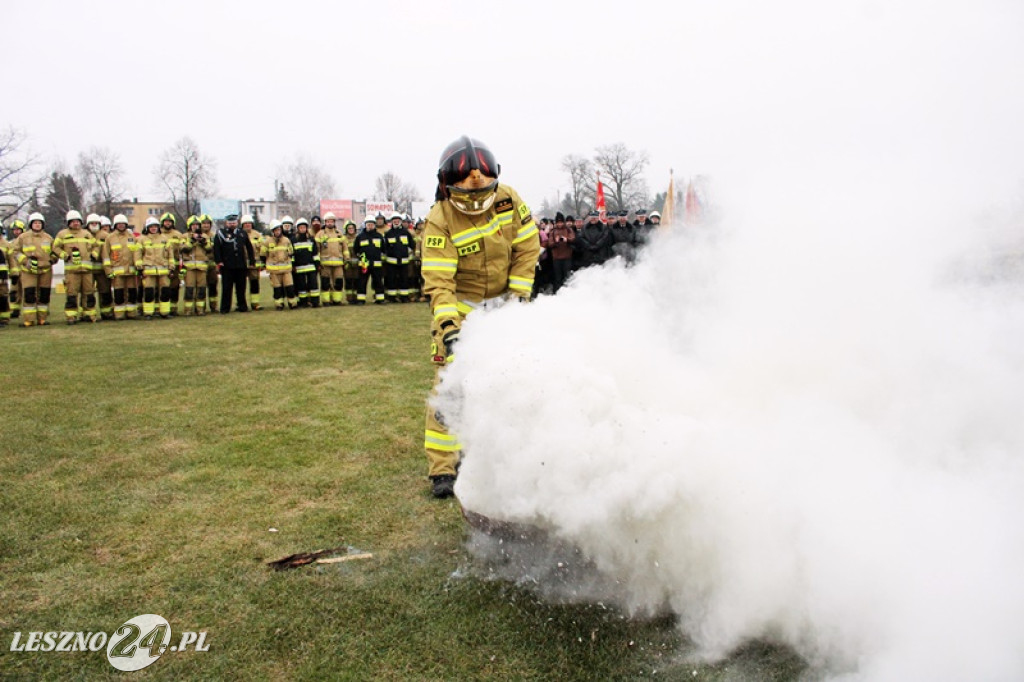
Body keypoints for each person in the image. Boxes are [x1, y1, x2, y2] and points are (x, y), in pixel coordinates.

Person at [420, 135, 540, 498]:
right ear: (447, 186)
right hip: (461, 308)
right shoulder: (439, 220)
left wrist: (517, 298)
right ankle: (443, 469)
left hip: (504, 306)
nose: (475, 199)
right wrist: (450, 328)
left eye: (482, 191)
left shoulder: (509, 199)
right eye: (467, 194)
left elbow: (527, 246)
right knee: (451, 391)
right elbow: (439, 282)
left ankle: (507, 458)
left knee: (513, 384)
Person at [53, 210, 99, 324]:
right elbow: (55, 248)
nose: (75, 223)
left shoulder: (87, 234)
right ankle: (71, 316)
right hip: (72, 271)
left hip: (87, 270)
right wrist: (64, 255)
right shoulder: (62, 234)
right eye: (73, 221)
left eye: (77, 221)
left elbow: (96, 246)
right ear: (68, 222)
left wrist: (94, 255)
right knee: (72, 294)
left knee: (89, 293)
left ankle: (89, 315)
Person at [11, 212, 56, 326]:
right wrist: (26, 261)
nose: (37, 225)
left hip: (45, 271)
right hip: (28, 271)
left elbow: (55, 252)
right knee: (29, 294)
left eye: (39, 223)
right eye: (35, 223)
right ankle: (29, 319)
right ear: (31, 224)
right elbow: (15, 252)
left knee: (44, 295)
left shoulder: (48, 238)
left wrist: (52, 260)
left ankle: (42, 319)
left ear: (42, 224)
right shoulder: (23, 237)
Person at [213, 213, 255, 314]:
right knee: (227, 288)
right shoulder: (220, 233)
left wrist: (252, 260)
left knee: (241, 288)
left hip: (241, 265)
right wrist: (219, 261)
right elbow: (216, 248)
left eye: (234, 222)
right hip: (227, 266)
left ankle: (242, 306)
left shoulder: (242, 233)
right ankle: (225, 308)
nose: (232, 224)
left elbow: (249, 247)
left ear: (237, 223)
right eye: (230, 222)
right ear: (226, 223)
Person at [102, 214, 141, 320]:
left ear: (126, 224)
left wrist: (138, 266)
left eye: (123, 224)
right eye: (118, 224)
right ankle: (119, 314)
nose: (121, 226)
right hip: (117, 272)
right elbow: (105, 255)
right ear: (115, 225)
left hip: (131, 271)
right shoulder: (110, 238)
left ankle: (131, 313)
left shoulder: (131, 237)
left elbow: (136, 252)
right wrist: (108, 270)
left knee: (132, 293)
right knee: (119, 294)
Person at [137, 216, 173, 319]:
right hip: (148, 270)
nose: (153, 228)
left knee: (165, 291)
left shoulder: (165, 239)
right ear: (147, 228)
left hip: (163, 269)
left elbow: (170, 255)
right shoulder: (142, 239)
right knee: (149, 292)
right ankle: (148, 313)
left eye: (155, 226)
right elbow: (138, 254)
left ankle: (164, 312)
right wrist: (139, 268)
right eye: (151, 227)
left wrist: (171, 267)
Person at [180, 215, 215, 316]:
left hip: (202, 267)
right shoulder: (185, 236)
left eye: (197, 225)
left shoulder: (205, 236)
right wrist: (192, 240)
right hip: (189, 267)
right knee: (189, 288)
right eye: (193, 225)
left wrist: (203, 242)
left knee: (201, 289)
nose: (195, 226)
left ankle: (200, 309)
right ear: (189, 226)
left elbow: (209, 249)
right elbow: (183, 249)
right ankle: (188, 310)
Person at [315, 211, 349, 305]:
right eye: (328, 221)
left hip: (338, 264)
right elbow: (317, 249)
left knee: (338, 282)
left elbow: (345, 248)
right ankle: (326, 301)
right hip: (325, 264)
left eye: (331, 221)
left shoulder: (339, 234)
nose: (330, 223)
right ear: (325, 222)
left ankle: (337, 300)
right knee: (325, 283)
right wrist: (317, 261)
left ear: (334, 222)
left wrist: (346, 258)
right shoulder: (320, 234)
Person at [352, 215, 386, 304]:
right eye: (368, 224)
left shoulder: (379, 236)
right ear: (365, 225)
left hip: (377, 263)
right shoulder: (360, 237)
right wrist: (361, 258)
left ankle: (380, 298)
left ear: (374, 225)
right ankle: (361, 299)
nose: (370, 226)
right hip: (364, 263)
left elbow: (384, 249)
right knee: (362, 282)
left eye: (371, 224)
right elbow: (356, 249)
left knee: (378, 282)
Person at [263, 220, 297, 309]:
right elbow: (263, 254)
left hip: (286, 270)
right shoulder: (267, 242)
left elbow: (291, 253)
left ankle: (292, 303)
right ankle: (279, 304)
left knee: (290, 287)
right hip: (274, 271)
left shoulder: (286, 240)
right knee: (277, 289)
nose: (277, 232)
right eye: (275, 230)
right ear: (272, 231)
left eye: (279, 230)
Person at [383, 210, 415, 302]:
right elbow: (385, 247)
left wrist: (407, 252)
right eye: (394, 220)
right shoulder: (388, 234)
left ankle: (404, 297)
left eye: (398, 220)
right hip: (391, 261)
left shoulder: (406, 232)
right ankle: (392, 297)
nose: (396, 222)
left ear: (400, 221)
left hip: (404, 261)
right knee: (392, 280)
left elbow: (412, 245)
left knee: (404, 279)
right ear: (392, 221)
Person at [290, 217, 320, 307]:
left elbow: (315, 253)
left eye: (304, 227)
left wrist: (317, 264)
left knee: (313, 285)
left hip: (311, 267)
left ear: (307, 228)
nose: (302, 229)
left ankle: (315, 302)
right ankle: (303, 302)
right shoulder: (293, 240)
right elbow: (292, 255)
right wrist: (293, 265)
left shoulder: (311, 240)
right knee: (301, 286)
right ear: (298, 229)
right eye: (301, 227)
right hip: (299, 268)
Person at [159, 212, 184, 315]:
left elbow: (182, 249)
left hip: (176, 266)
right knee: (163, 288)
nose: (168, 223)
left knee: (175, 287)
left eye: (170, 221)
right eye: (166, 221)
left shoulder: (178, 235)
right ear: (162, 222)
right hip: (162, 265)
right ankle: (162, 309)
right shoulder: (158, 234)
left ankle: (173, 308)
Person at [90, 215, 114, 319]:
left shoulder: (106, 236)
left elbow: (108, 253)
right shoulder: (85, 235)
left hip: (102, 269)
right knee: (87, 293)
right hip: (88, 269)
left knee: (105, 291)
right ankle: (87, 313)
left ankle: (107, 312)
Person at [240, 214, 264, 310]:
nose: (247, 225)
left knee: (254, 284)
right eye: (245, 223)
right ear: (242, 225)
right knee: (241, 285)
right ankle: (241, 304)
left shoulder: (257, 235)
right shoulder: (239, 234)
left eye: (249, 223)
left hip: (254, 264)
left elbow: (262, 249)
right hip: (242, 264)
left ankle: (255, 304)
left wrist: (261, 263)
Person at [548, 212, 575, 293]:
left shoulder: (568, 229)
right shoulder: (553, 231)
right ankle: (557, 293)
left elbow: (573, 238)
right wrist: (556, 242)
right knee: (557, 277)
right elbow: (550, 243)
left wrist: (566, 239)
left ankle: (568, 293)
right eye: (558, 222)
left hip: (567, 257)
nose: (560, 224)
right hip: (556, 258)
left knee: (567, 277)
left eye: (561, 222)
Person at [6, 218, 24, 319]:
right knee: (14, 292)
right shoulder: (10, 243)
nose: (16, 231)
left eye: (18, 229)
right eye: (14, 230)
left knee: (29, 292)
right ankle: (15, 310)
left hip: (26, 271)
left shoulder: (26, 241)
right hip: (15, 272)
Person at [341, 220, 361, 303]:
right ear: (346, 229)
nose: (351, 229)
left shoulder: (358, 238)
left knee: (357, 280)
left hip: (357, 263)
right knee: (348, 280)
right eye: (349, 228)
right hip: (347, 263)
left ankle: (356, 297)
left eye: (352, 228)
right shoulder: (343, 238)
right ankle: (349, 298)